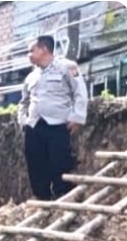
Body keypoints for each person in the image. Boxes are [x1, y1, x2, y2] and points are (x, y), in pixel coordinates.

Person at [17, 35, 88, 200]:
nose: (29, 55)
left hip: (57, 125)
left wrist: (77, 116)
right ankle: (41, 197)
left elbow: (79, 92)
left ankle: (63, 196)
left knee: (60, 162)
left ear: (44, 49)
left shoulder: (67, 67)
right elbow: (23, 102)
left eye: (31, 51)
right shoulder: (31, 76)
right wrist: (23, 121)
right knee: (35, 163)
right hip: (34, 126)